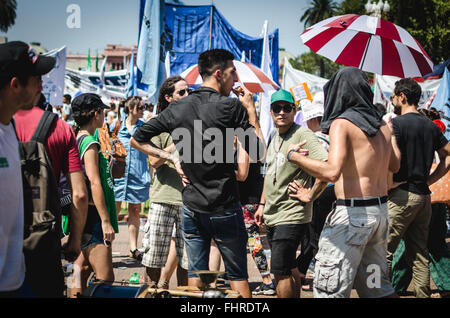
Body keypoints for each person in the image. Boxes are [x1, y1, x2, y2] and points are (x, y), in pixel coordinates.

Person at [131, 49, 265, 298]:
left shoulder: (179, 108)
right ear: (218, 74)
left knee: (197, 274)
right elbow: (257, 152)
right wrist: (251, 113)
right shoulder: (231, 107)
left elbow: (137, 139)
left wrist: (170, 156)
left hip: (192, 206)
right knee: (237, 276)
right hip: (224, 205)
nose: (235, 79)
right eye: (232, 72)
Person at [285, 67, 401, 298]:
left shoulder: (342, 123)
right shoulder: (383, 126)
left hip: (352, 218)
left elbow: (331, 172)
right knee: (377, 288)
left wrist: (293, 157)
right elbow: (396, 167)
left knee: (330, 290)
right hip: (379, 216)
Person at [254, 89, 328, 298]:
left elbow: (325, 166)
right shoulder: (274, 136)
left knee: (279, 270)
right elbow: (270, 174)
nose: (282, 112)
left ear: (294, 111)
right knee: (290, 267)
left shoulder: (302, 134)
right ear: (271, 111)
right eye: (277, 108)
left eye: (287, 108)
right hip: (272, 213)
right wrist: (262, 205)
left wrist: (311, 194)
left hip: (292, 213)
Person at [15, 93, 89, 297]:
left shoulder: (5, 124)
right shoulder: (60, 128)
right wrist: (74, 240)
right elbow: (80, 194)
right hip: (44, 237)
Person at [0, 41, 55, 297]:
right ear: (14, 85)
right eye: (36, 80)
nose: (41, 87)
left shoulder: (9, 127)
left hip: (16, 279)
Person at [386, 78, 450, 298]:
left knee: (383, 252)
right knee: (420, 255)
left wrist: (389, 183)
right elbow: (448, 155)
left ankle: (380, 293)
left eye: (394, 96)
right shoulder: (430, 126)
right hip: (423, 198)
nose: (392, 100)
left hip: (401, 197)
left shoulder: (395, 125)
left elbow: (386, 160)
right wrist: (430, 180)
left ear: (402, 97)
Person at [141, 76, 189, 288]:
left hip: (190, 200)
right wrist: (176, 144)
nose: (188, 96)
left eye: (189, 91)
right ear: (168, 97)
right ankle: (154, 292)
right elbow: (154, 160)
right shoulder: (157, 123)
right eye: (182, 92)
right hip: (163, 198)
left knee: (187, 262)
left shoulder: (195, 122)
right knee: (154, 258)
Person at [69, 93, 119, 297]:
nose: (104, 116)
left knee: (80, 271)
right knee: (106, 279)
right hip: (93, 216)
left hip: (80, 214)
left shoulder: (77, 137)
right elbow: (94, 181)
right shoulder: (90, 141)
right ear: (96, 113)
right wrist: (106, 221)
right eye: (103, 112)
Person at [289, 91, 336, 292]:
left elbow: (316, 166)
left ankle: (311, 273)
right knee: (317, 233)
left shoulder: (314, 139)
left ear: (313, 119)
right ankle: (304, 270)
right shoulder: (332, 135)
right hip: (333, 190)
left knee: (313, 234)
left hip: (318, 190)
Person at [234, 135, 276, 296]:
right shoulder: (249, 144)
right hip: (249, 199)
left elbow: (241, 175)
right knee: (249, 241)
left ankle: (267, 281)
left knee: (253, 241)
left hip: (248, 201)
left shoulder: (245, 145)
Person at [114, 96, 151, 261]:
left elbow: (151, 151)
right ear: (131, 109)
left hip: (138, 174)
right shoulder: (117, 126)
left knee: (134, 210)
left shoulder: (145, 127)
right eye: (141, 107)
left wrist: (149, 174)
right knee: (113, 211)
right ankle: (107, 245)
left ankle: (133, 248)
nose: (144, 110)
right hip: (118, 176)